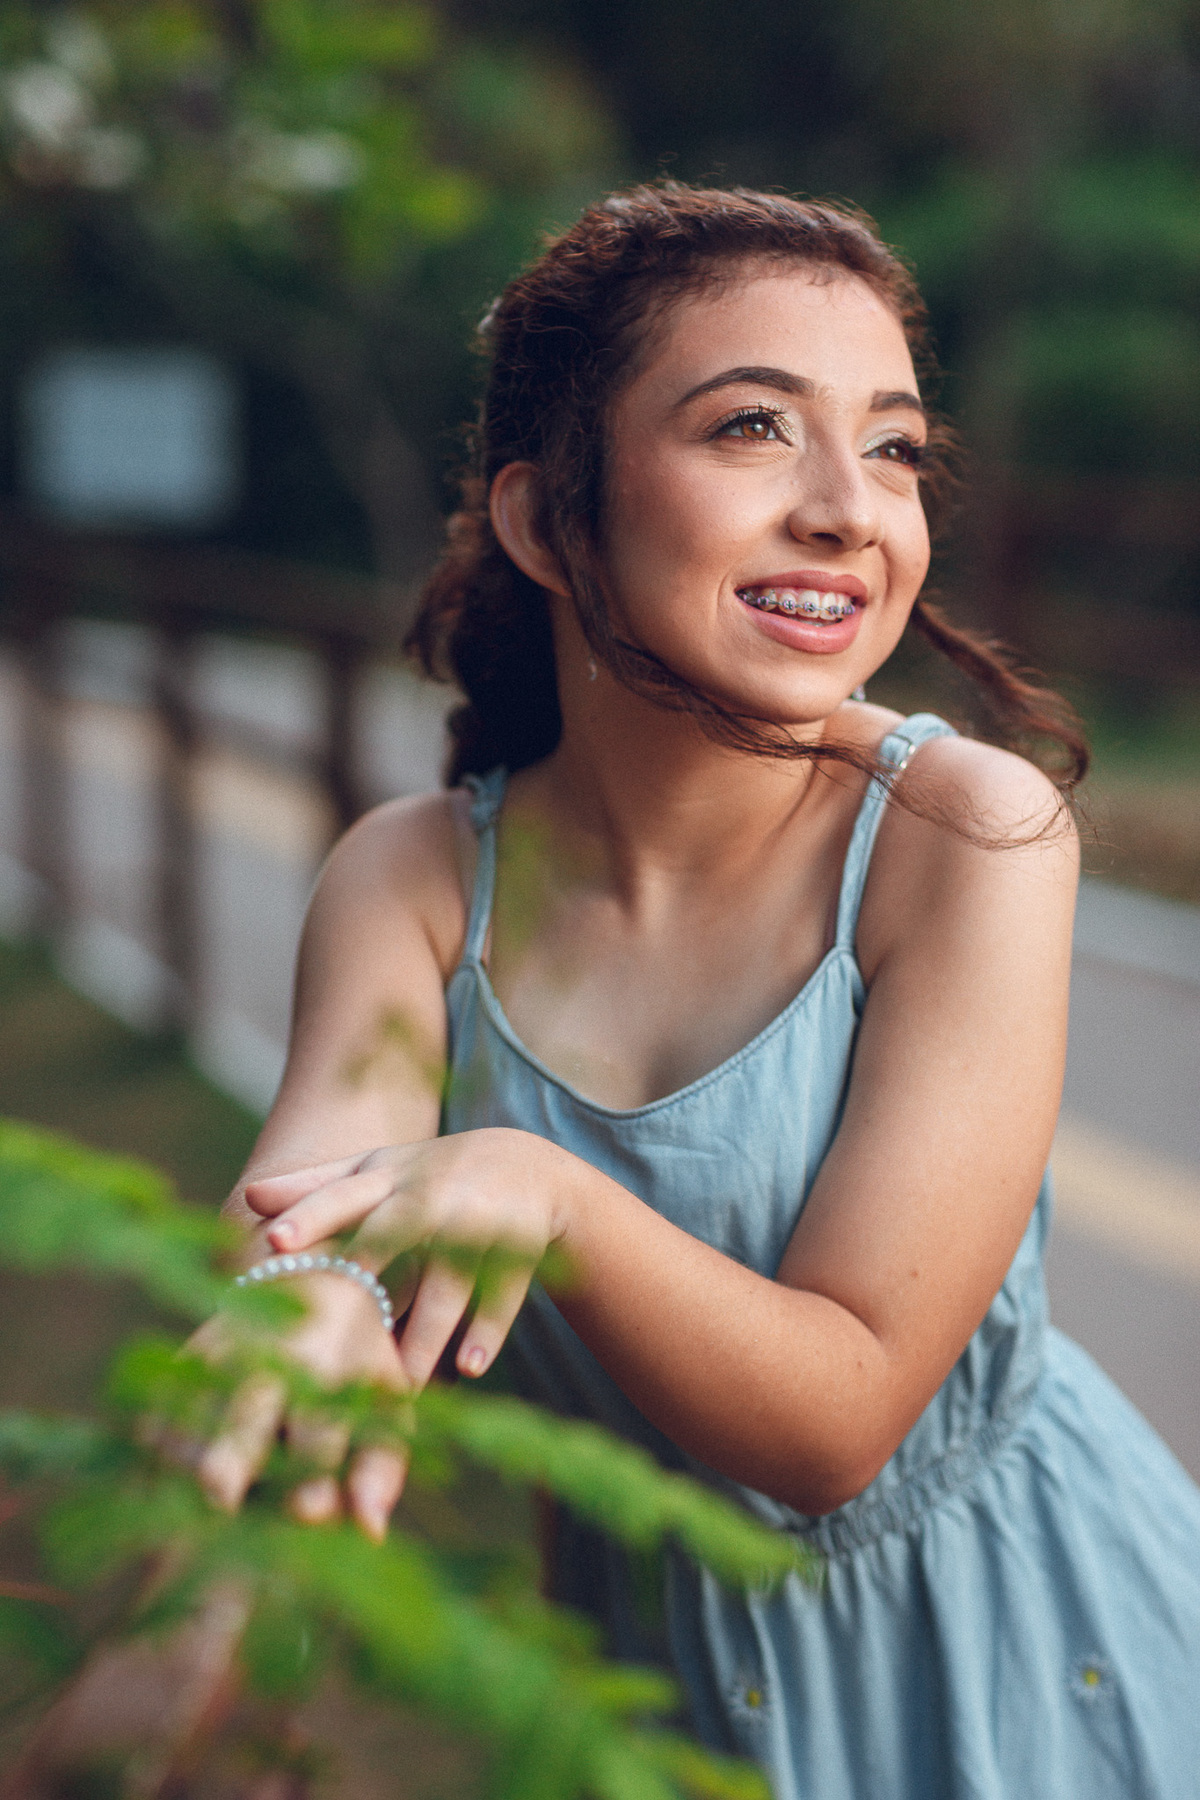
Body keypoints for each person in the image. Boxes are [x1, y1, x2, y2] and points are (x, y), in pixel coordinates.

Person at [195, 185, 1200, 1800]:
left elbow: (842, 1417)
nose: (846, 510)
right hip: (654, 1699)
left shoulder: (962, 833)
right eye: (752, 427)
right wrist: (304, 1308)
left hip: (1028, 1668)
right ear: (546, 519)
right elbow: (310, 1218)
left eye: (893, 448)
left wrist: (545, 1192)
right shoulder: (416, 877)